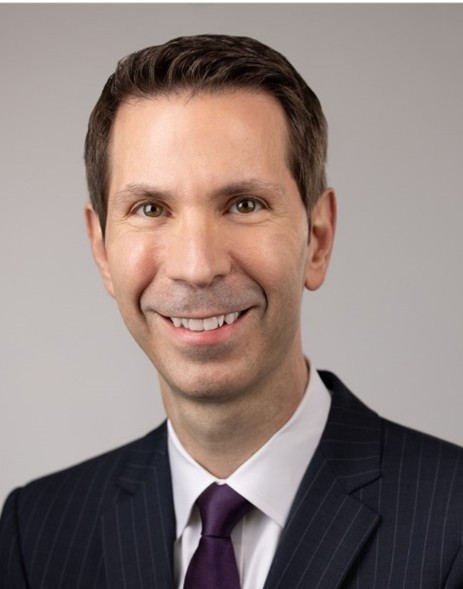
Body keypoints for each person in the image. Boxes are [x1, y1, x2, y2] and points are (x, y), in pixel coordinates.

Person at [0, 34, 462, 589]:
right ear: (102, 250)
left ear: (317, 238)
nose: (197, 267)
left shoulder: (452, 521)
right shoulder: (35, 533)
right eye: (150, 208)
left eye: (244, 204)